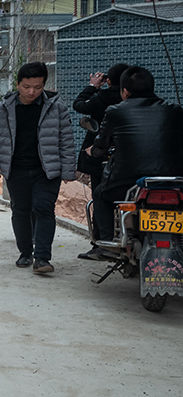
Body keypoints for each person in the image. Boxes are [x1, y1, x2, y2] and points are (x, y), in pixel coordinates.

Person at [0, 62, 76, 275]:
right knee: (21, 210)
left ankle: (42, 258)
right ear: (17, 84)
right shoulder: (3, 108)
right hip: (16, 169)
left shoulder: (56, 107)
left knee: (44, 209)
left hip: (47, 170)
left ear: (44, 85)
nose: (32, 92)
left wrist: (69, 170)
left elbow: (66, 141)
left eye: (38, 87)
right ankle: (25, 252)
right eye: (26, 87)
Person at [88, 66, 183, 242]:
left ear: (124, 91)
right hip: (173, 182)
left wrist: (94, 151)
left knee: (100, 194)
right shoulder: (175, 110)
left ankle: (106, 243)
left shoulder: (115, 111)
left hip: (127, 184)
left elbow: (100, 146)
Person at [73, 63, 128, 259]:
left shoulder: (104, 98)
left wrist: (93, 86)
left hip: (101, 157)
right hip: (132, 162)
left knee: (100, 196)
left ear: (110, 81)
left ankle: (101, 243)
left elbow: (79, 105)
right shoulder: (154, 104)